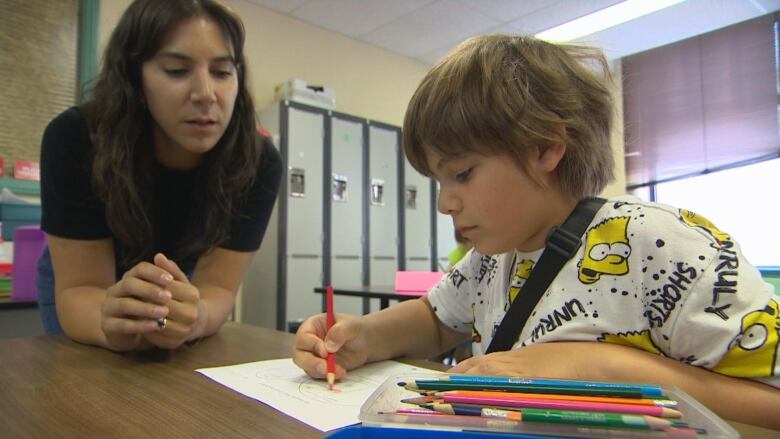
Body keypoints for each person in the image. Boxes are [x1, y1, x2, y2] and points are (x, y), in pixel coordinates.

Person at [293, 34, 780, 428]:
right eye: (439, 181)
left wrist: (597, 367)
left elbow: (768, 405)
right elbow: (438, 319)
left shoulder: (660, 244)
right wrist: (363, 337)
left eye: (461, 174)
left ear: (545, 148)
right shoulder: (493, 255)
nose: (445, 202)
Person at [37, 0, 281, 352]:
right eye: (176, 70)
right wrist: (110, 324)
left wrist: (195, 317)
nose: (206, 95)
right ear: (135, 81)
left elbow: (218, 290)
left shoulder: (258, 163)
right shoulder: (75, 139)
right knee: (82, 383)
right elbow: (79, 289)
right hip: (87, 282)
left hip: (181, 278)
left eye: (222, 72)